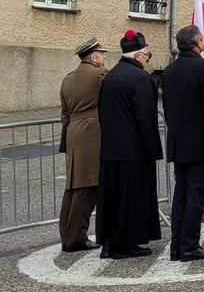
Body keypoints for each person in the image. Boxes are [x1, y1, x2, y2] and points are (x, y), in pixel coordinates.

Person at [96, 30, 163, 259]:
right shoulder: (140, 78)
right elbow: (145, 117)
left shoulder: (111, 76)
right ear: (137, 56)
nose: (148, 58)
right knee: (131, 199)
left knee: (112, 198)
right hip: (134, 151)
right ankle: (126, 243)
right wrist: (153, 149)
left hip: (111, 149)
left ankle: (109, 241)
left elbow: (102, 114)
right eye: (147, 54)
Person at [161, 26, 204, 262]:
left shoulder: (169, 70)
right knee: (196, 197)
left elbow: (166, 109)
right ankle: (189, 246)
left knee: (181, 196)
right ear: (197, 42)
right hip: (200, 144)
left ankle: (177, 246)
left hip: (178, 142)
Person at [58, 37, 108, 252]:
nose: (104, 58)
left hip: (73, 132)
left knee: (72, 185)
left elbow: (64, 114)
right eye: (102, 55)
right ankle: (76, 237)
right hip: (92, 131)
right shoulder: (99, 74)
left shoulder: (68, 79)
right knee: (87, 186)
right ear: (94, 57)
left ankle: (67, 234)